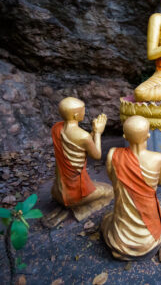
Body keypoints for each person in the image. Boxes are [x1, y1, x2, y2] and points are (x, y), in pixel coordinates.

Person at [101, 115, 161, 262]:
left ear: (125, 136)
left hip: (120, 242)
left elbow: (113, 179)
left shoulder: (113, 155)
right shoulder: (157, 158)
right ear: (148, 135)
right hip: (149, 241)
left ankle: (125, 248)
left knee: (107, 218)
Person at [43, 97, 113, 228]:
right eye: (83, 110)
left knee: (96, 185)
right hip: (75, 194)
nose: (84, 112)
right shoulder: (83, 136)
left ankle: (64, 208)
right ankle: (76, 209)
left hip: (57, 190)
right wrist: (97, 133)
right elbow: (97, 155)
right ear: (76, 115)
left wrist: (92, 133)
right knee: (109, 191)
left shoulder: (56, 128)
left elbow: (79, 146)